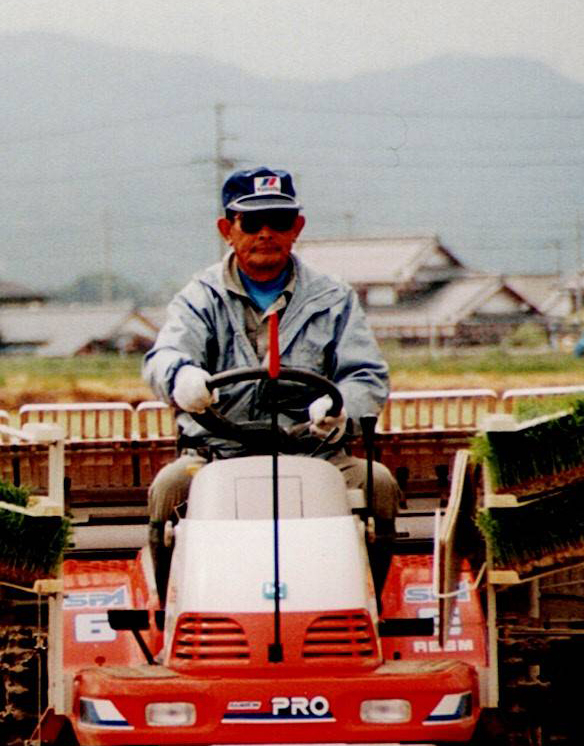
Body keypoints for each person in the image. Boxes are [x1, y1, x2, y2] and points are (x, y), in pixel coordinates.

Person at [143, 166, 401, 592]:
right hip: (218, 455)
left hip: (314, 453)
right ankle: (169, 609)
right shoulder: (199, 297)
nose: (266, 233)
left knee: (378, 484)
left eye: (278, 221)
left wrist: (339, 408)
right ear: (228, 229)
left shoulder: (333, 298)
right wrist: (181, 377)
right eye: (252, 222)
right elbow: (164, 355)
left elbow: (366, 373)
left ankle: (370, 601)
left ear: (296, 228)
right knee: (170, 487)